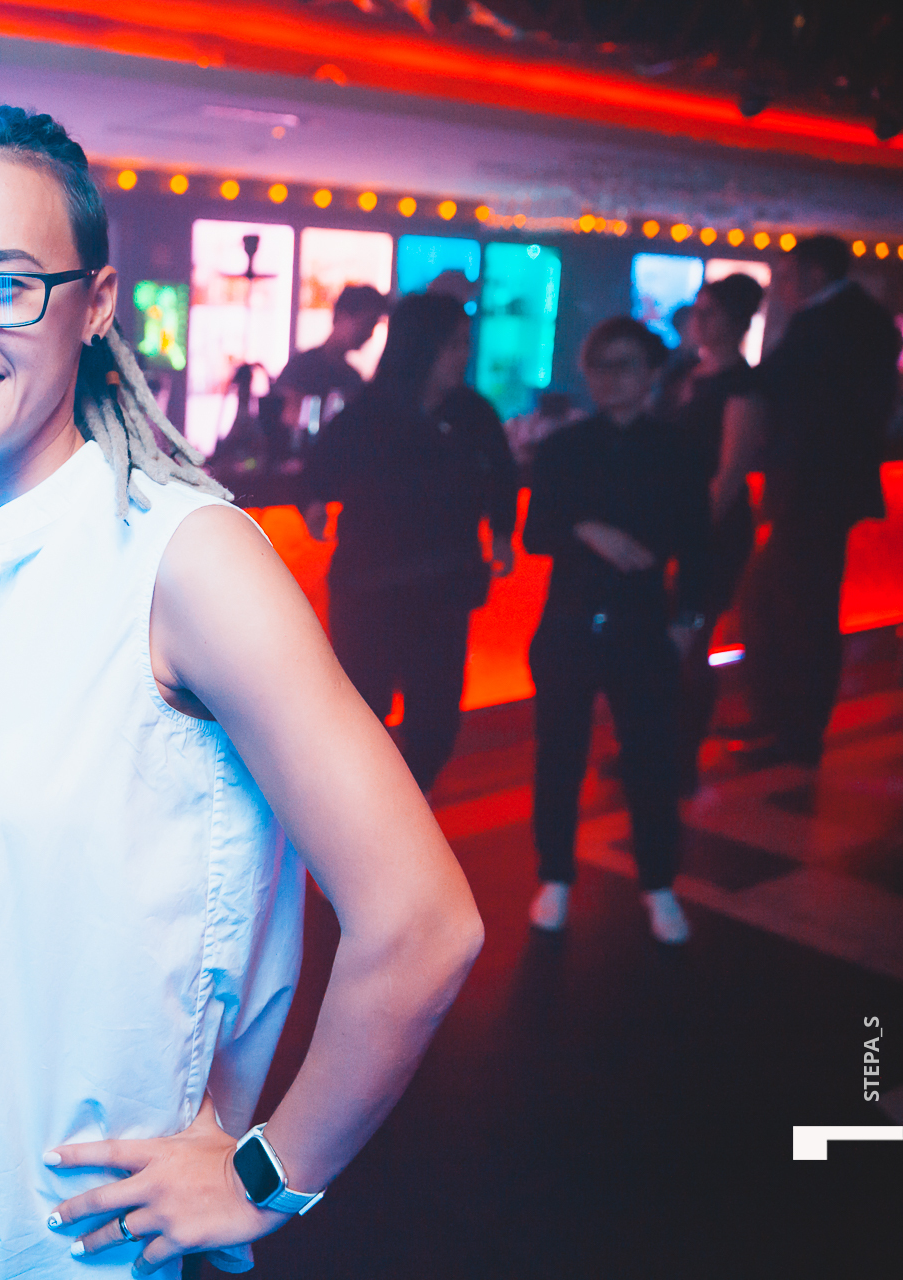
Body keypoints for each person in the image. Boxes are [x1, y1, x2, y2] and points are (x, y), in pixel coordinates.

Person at [0, 102, 483, 1280]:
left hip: (88, 1250)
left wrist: (266, 1174)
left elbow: (424, 923)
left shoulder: (183, 560)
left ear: (95, 305)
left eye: (3, 283)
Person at [523, 318, 711, 946]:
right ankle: (555, 876)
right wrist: (586, 529)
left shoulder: (677, 449)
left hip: (642, 624)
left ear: (653, 372)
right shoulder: (563, 447)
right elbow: (536, 532)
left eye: (625, 364)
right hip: (568, 622)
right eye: (600, 365)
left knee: (651, 760)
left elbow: (699, 545)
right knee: (559, 757)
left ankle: (658, 884)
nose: (609, 377)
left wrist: (686, 625)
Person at [300, 292, 518, 795]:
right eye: (453, 345)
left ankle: (400, 807)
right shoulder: (368, 412)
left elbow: (503, 475)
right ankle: (367, 816)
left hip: (441, 590)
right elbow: (317, 472)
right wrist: (313, 505)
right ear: (421, 346)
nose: (464, 355)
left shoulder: (472, 413)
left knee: (435, 727)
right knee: (362, 716)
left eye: (464, 343)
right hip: (370, 590)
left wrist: (503, 532)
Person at [738, 235, 902, 768]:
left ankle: (793, 731)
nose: (780, 289)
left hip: (812, 489)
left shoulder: (824, 323)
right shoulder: (866, 319)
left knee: (797, 610)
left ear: (812, 274)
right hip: (829, 489)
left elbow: (776, 385)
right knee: (790, 605)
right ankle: (785, 723)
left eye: (786, 277)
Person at [663, 274, 770, 790]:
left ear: (733, 320)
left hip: (711, 533)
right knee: (663, 641)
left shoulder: (741, 384)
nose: (697, 320)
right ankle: (653, 749)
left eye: (708, 312)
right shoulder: (686, 372)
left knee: (693, 639)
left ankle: (681, 757)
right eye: (697, 310)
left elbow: (730, 474)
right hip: (676, 526)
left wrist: (687, 536)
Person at [274, 283, 385, 441]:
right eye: (365, 324)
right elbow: (285, 422)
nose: (369, 333)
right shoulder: (302, 367)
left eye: (372, 326)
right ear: (340, 316)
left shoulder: (352, 377)